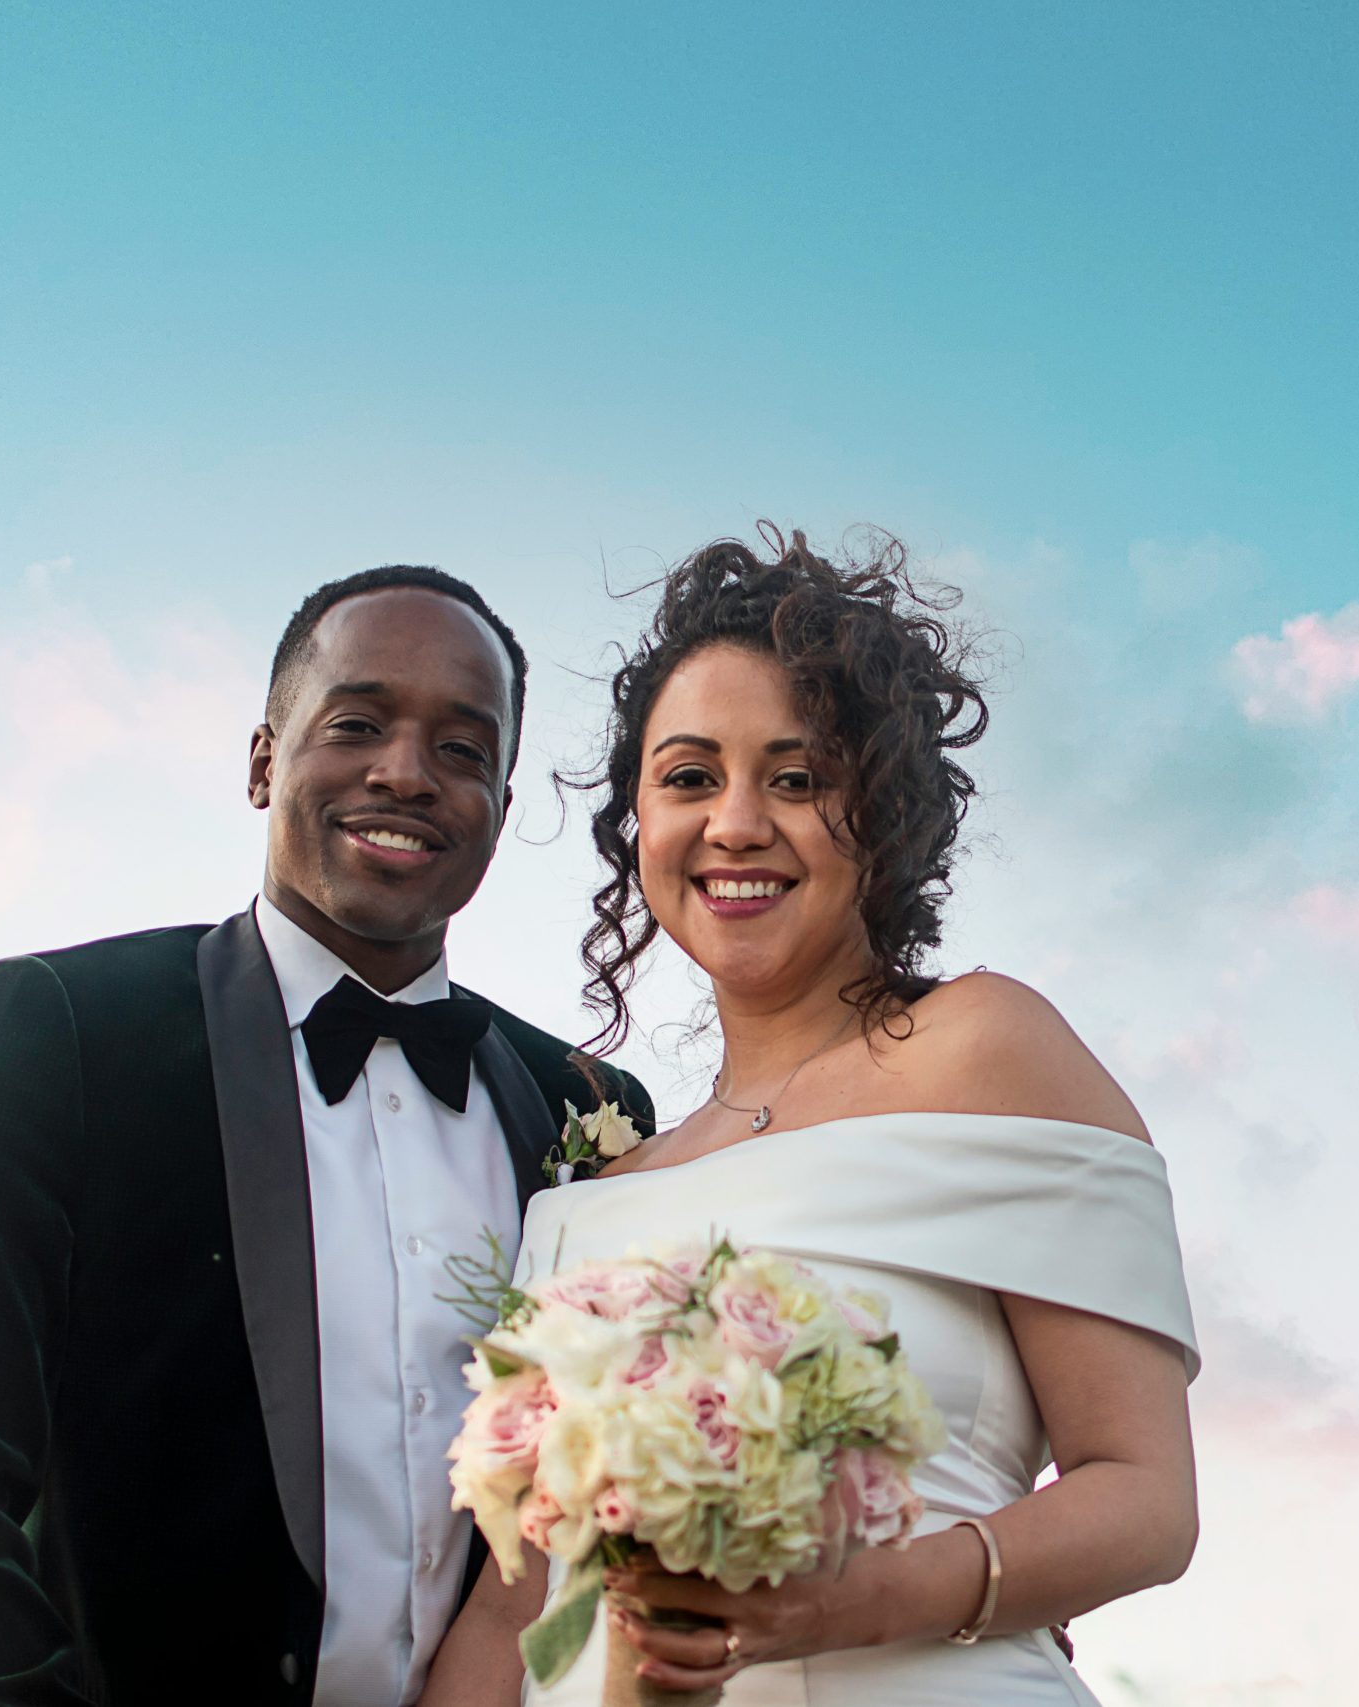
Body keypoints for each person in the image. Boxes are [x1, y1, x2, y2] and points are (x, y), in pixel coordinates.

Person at [0, 566, 654, 1706]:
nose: (405, 773)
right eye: (358, 723)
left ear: (503, 812)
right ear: (265, 758)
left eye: (464, 751)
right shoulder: (56, 1033)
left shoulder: (587, 1110)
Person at [420, 528, 1199, 1707]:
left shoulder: (987, 1049)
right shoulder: (585, 1200)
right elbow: (513, 1607)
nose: (735, 823)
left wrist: (846, 1607)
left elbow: (1144, 1498)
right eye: (689, 777)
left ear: (880, 810)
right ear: (638, 823)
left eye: (797, 778)